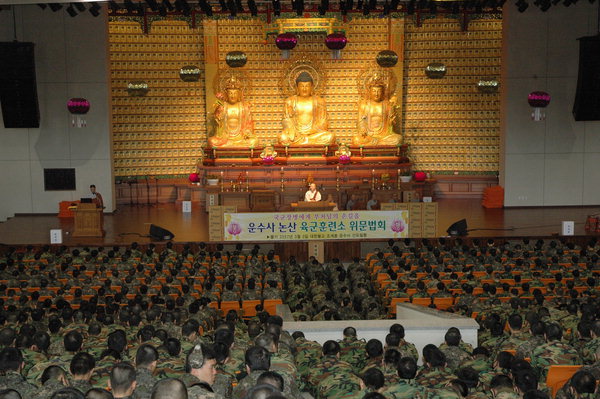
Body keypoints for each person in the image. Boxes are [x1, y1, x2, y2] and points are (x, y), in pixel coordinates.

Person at [280, 71, 335, 146]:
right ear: (297, 87)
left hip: (313, 134)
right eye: (302, 86)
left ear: (312, 87)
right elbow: (286, 120)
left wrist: (310, 132)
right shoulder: (290, 101)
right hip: (296, 135)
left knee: (330, 137)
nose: (304, 89)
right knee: (282, 137)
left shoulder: (319, 101)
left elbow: (323, 123)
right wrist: (294, 132)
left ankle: (305, 141)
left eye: (307, 86)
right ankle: (306, 142)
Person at [209, 75, 257, 148]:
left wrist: (246, 134)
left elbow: (248, 125)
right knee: (212, 141)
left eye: (235, 93)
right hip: (225, 137)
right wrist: (218, 116)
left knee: (254, 141)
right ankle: (233, 145)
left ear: (239, 94)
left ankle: (231, 146)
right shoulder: (222, 107)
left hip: (240, 137)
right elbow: (218, 126)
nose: (233, 96)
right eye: (230, 93)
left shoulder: (244, 107)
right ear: (226, 94)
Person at [353, 74, 402, 146]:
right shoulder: (364, 105)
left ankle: (374, 144)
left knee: (398, 139)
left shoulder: (388, 105)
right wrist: (363, 130)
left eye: (379, 91)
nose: (376, 94)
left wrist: (392, 121)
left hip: (384, 135)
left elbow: (391, 126)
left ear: (382, 92)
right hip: (369, 135)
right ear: (369, 91)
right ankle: (379, 144)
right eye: (374, 91)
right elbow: (361, 122)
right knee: (356, 139)